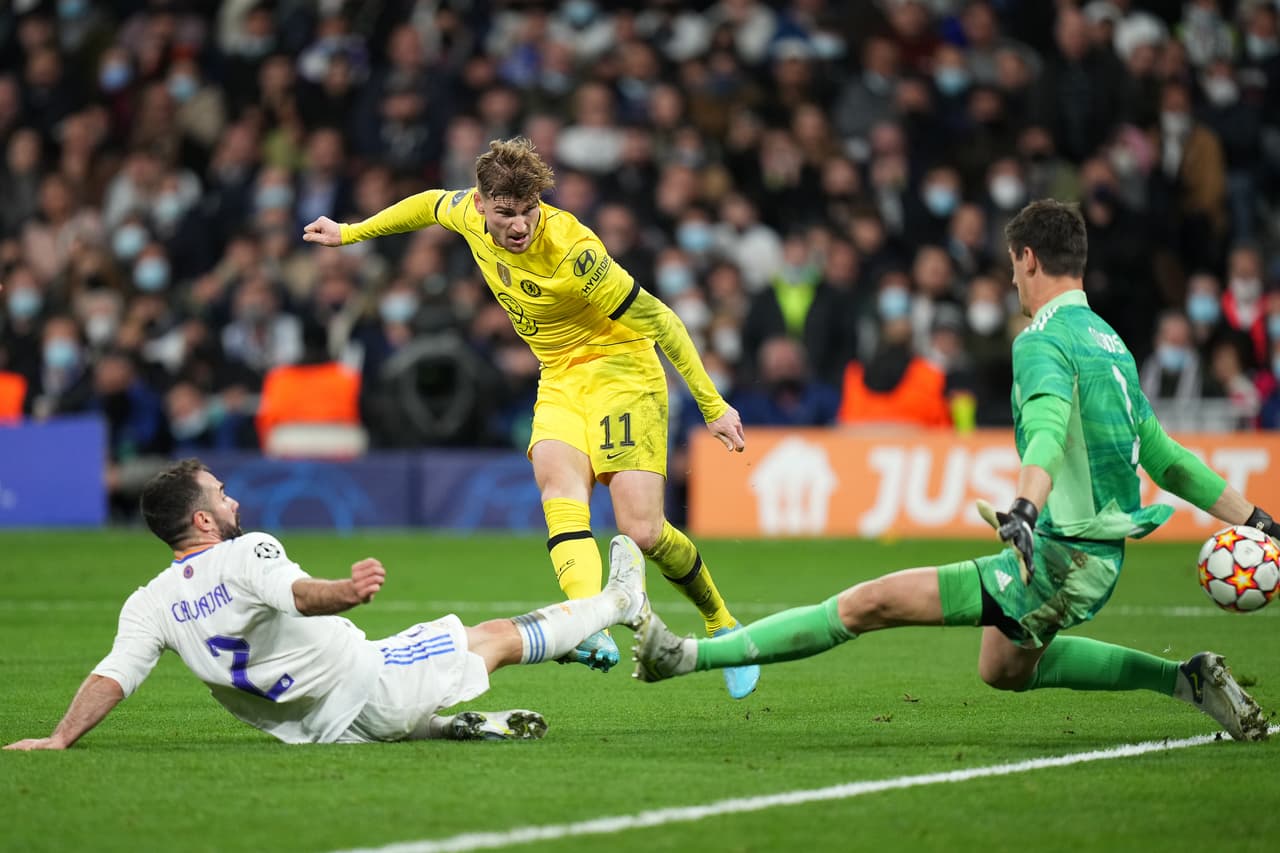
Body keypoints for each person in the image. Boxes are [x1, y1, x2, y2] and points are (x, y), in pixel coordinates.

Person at [632, 200, 1271, 742]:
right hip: (1089, 556)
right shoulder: (1112, 344)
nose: (1012, 282)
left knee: (867, 603)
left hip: (1061, 557)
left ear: (1028, 259)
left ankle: (685, 655)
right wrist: (1260, 520)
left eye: (1013, 266)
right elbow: (1165, 458)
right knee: (1002, 668)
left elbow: (1046, 430)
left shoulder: (1042, 339)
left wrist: (1025, 508)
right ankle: (1187, 679)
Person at [302, 137, 759, 698]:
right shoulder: (466, 212)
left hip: (620, 368)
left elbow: (662, 320)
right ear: (481, 203)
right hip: (560, 374)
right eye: (506, 213)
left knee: (641, 531)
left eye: (529, 210)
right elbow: (425, 204)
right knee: (559, 489)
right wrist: (350, 233)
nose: (519, 225)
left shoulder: (575, 254)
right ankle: (588, 623)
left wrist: (713, 406)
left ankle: (722, 624)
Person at [4, 459, 649, 750]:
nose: (233, 502)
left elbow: (114, 675)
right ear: (202, 520)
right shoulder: (245, 551)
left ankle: (446, 726)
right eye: (221, 495)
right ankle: (619, 600)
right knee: (493, 637)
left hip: (314, 732)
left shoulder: (149, 603)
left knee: (413, 692)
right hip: (367, 683)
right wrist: (347, 591)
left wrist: (60, 738)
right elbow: (300, 596)